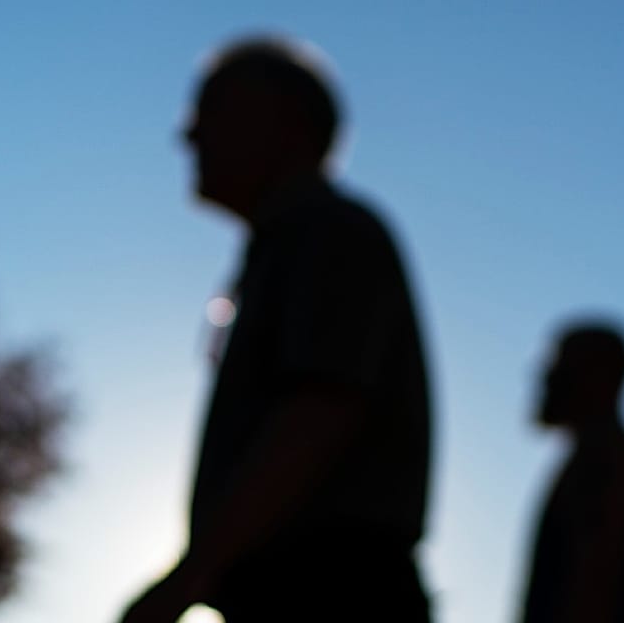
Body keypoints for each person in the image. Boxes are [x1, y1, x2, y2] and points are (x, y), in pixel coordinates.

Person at [120, 36, 434, 622]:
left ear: (285, 124)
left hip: (329, 591)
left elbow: (320, 412)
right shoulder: (287, 247)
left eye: (210, 111)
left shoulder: (327, 232)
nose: (188, 136)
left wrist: (190, 576)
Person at [520, 321, 624, 623]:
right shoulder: (604, 456)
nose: (545, 376)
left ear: (602, 376)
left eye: (560, 364)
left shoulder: (607, 462)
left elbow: (592, 587)